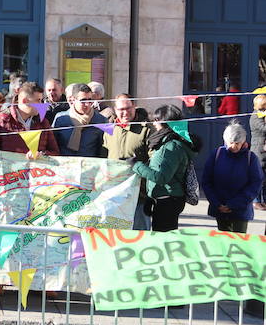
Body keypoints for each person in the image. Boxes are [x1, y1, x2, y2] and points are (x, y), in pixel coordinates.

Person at [129, 104, 200, 232]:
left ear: (165, 122)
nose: (154, 123)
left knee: (164, 240)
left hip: (169, 201)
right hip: (164, 199)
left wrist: (136, 165)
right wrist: (151, 197)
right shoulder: (166, 143)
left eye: (157, 120)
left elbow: (161, 177)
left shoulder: (172, 146)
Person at [200, 122, 263, 233]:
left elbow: (255, 184)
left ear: (243, 142)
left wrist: (234, 204)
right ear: (225, 140)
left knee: (239, 242)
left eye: (237, 143)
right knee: (222, 241)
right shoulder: (217, 154)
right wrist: (217, 203)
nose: (234, 146)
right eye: (231, 142)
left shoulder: (251, 158)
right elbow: (206, 181)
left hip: (241, 210)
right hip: (219, 207)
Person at [103, 94, 151, 229]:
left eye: (128, 108)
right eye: (120, 109)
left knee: (140, 234)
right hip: (114, 191)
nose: (124, 113)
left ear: (134, 106)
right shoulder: (109, 128)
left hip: (138, 193)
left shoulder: (146, 129)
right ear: (115, 109)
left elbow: (153, 161)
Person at [0, 82, 59, 158]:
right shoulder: (1, 121)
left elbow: (55, 152)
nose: (41, 104)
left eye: (41, 100)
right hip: (10, 169)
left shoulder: (43, 122)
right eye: (38, 100)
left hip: (37, 169)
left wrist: (42, 154)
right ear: (25, 101)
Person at [52, 83, 108, 157]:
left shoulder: (100, 120)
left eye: (90, 100)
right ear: (73, 100)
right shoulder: (61, 118)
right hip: (65, 164)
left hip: (90, 165)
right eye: (83, 101)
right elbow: (52, 144)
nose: (87, 104)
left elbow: (104, 148)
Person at [250, 94, 266, 210]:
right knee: (258, 177)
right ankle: (255, 201)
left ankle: (264, 200)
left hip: (264, 150)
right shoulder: (255, 116)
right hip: (258, 150)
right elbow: (263, 128)